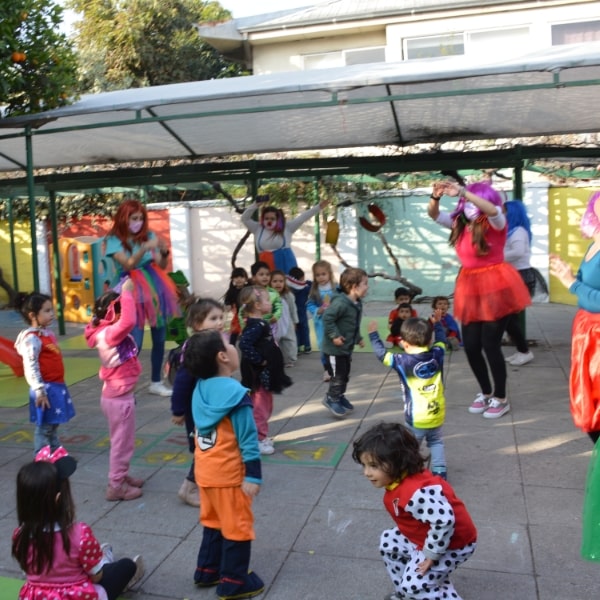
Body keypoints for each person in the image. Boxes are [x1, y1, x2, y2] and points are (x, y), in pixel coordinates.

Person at [428, 180, 530, 419]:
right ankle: (485, 392)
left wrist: (464, 191)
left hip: (497, 286)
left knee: (490, 344)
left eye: (474, 199)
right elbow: (433, 214)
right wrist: (435, 197)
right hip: (469, 285)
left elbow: (493, 210)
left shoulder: (496, 222)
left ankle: (501, 397)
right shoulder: (459, 223)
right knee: (471, 346)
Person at [352, 422, 477, 600]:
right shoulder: (400, 481)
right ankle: (407, 594)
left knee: (416, 585)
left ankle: (415, 591)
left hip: (452, 544)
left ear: (398, 462)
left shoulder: (414, 493)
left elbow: (444, 520)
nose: (367, 472)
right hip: (426, 536)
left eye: (373, 466)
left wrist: (431, 555)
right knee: (390, 542)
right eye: (364, 465)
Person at [182, 329, 264, 599]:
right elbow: (249, 439)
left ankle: (207, 570)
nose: (232, 346)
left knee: (214, 521)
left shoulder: (200, 388)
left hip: (205, 473)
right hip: (230, 476)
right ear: (222, 356)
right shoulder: (237, 394)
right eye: (229, 344)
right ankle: (233, 582)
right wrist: (253, 475)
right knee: (237, 525)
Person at [12, 446, 144, 600]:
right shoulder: (79, 535)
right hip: (79, 596)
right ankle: (103, 560)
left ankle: (102, 558)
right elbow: (96, 578)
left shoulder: (20, 535)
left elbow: (27, 570)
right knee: (126, 566)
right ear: (58, 499)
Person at [104, 199, 179, 397]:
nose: (137, 222)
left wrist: (163, 252)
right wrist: (145, 248)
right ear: (124, 218)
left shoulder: (149, 235)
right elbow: (128, 265)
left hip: (155, 284)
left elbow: (161, 265)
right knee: (133, 340)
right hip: (129, 286)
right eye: (133, 218)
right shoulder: (114, 240)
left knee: (160, 336)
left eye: (140, 218)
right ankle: (126, 382)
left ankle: (156, 381)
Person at [368, 309, 449, 479]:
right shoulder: (438, 354)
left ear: (404, 344)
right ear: (429, 340)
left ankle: (410, 471)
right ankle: (440, 472)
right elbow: (441, 340)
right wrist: (438, 324)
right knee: (436, 441)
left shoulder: (402, 361)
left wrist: (373, 335)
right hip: (437, 412)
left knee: (411, 446)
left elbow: (382, 355)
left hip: (417, 417)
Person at [84, 278, 145, 502]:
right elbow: (129, 321)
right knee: (122, 443)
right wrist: (127, 293)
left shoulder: (104, 331)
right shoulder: (110, 333)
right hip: (119, 400)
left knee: (121, 441)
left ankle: (122, 474)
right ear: (114, 314)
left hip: (114, 395)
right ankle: (116, 485)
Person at [550, 190, 600, 445]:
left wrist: (572, 283)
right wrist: (568, 276)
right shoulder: (595, 243)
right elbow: (584, 287)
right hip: (587, 333)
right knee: (588, 405)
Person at [170, 298, 225, 507]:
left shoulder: (212, 342)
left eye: (221, 317)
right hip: (198, 410)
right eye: (213, 318)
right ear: (196, 324)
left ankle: (205, 482)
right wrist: (178, 410)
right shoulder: (197, 347)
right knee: (204, 447)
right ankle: (189, 487)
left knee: (209, 445)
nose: (219, 322)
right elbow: (182, 382)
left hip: (209, 406)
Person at [14, 292, 76, 453]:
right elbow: (31, 365)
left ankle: (55, 452)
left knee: (53, 423)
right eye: (47, 311)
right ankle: (41, 458)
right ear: (33, 315)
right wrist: (39, 390)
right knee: (44, 426)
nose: (52, 315)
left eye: (52, 310)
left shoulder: (47, 334)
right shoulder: (32, 339)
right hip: (45, 389)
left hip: (56, 386)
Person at [238, 286, 292, 455]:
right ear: (257, 305)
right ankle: (258, 439)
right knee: (260, 406)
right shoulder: (256, 325)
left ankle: (261, 435)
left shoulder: (261, 322)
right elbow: (244, 344)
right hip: (258, 375)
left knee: (266, 404)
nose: (271, 302)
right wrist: (259, 360)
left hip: (264, 373)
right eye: (267, 300)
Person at [321, 267, 369, 418]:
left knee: (345, 374)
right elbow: (327, 318)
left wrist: (358, 338)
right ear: (354, 287)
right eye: (365, 284)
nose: (367, 287)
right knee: (338, 375)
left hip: (345, 349)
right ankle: (332, 398)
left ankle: (339, 396)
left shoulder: (356, 303)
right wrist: (334, 336)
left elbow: (351, 324)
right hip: (334, 350)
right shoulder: (340, 303)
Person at [241, 196, 329, 273]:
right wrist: (255, 204)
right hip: (266, 267)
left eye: (272, 218)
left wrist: (318, 207)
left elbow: (302, 217)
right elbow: (245, 218)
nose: (269, 221)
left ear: (278, 219)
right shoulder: (257, 228)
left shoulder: (287, 227)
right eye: (266, 218)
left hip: (286, 265)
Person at [503, 200, 537, 366]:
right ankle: (521, 351)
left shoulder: (518, 231)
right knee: (510, 318)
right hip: (514, 276)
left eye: (504, 211)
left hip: (520, 277)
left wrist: (495, 256)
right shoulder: (513, 231)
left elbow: (518, 252)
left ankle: (524, 351)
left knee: (508, 317)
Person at [306, 259, 336, 382]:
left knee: (336, 344)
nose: (321, 277)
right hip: (321, 324)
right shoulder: (314, 290)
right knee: (324, 347)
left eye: (323, 274)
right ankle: (327, 370)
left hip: (335, 322)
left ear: (329, 274)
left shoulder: (336, 288)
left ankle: (338, 367)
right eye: (318, 275)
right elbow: (309, 304)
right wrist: (317, 310)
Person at [270, 269, 299, 367]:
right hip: (274, 323)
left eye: (281, 281)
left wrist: (295, 322)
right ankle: (277, 359)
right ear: (270, 283)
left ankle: (290, 359)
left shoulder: (289, 295)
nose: (278, 284)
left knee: (289, 341)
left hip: (287, 322)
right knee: (275, 342)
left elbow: (293, 309)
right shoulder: (268, 296)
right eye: (275, 281)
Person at [250, 261, 282, 331]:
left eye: (267, 274)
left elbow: (278, 306)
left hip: (270, 326)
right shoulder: (249, 292)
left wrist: (276, 316)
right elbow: (242, 311)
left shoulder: (273, 292)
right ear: (254, 277)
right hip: (253, 327)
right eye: (261, 274)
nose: (265, 277)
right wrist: (244, 326)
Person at [287, 266, 312, 354]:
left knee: (295, 331)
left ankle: (296, 347)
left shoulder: (289, 288)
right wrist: (308, 282)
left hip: (293, 313)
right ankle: (307, 346)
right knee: (305, 330)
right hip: (302, 312)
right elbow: (311, 286)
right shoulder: (305, 288)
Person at [223, 267, 249, 347]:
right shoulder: (231, 291)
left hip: (248, 316)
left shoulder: (249, 289)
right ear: (233, 279)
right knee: (234, 333)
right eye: (236, 277)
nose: (239, 279)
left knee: (247, 333)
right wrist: (228, 306)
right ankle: (231, 348)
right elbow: (227, 301)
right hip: (236, 317)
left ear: (245, 279)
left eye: (241, 277)